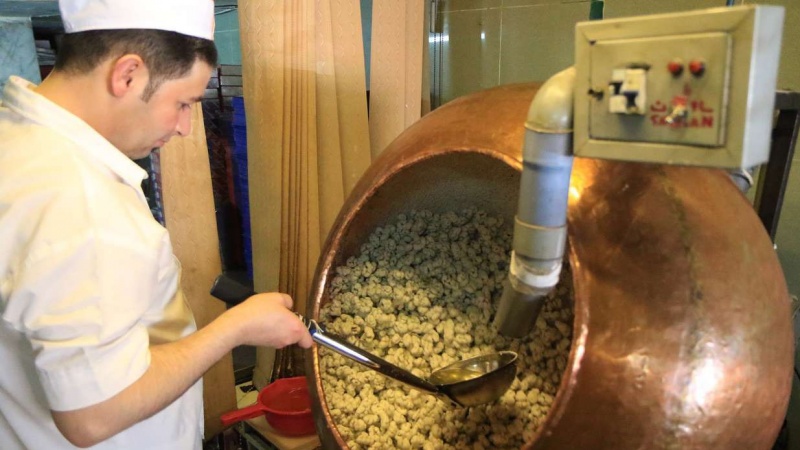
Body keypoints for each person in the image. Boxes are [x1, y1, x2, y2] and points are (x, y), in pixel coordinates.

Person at [0, 0, 313, 448]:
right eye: (182, 103)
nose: (186, 127)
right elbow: (94, 414)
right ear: (128, 74)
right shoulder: (80, 203)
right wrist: (236, 328)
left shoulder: (15, 135)